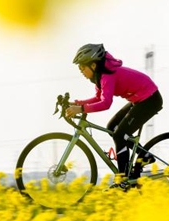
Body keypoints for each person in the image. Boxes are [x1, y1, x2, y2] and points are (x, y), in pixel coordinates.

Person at [65, 43, 163, 187]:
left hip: (150, 100)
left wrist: (81, 109)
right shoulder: (100, 77)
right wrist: (78, 104)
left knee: (119, 134)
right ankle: (145, 156)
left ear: (93, 65)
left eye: (82, 67)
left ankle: (122, 179)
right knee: (112, 127)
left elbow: (106, 104)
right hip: (140, 99)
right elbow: (98, 98)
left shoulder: (107, 76)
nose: (81, 71)